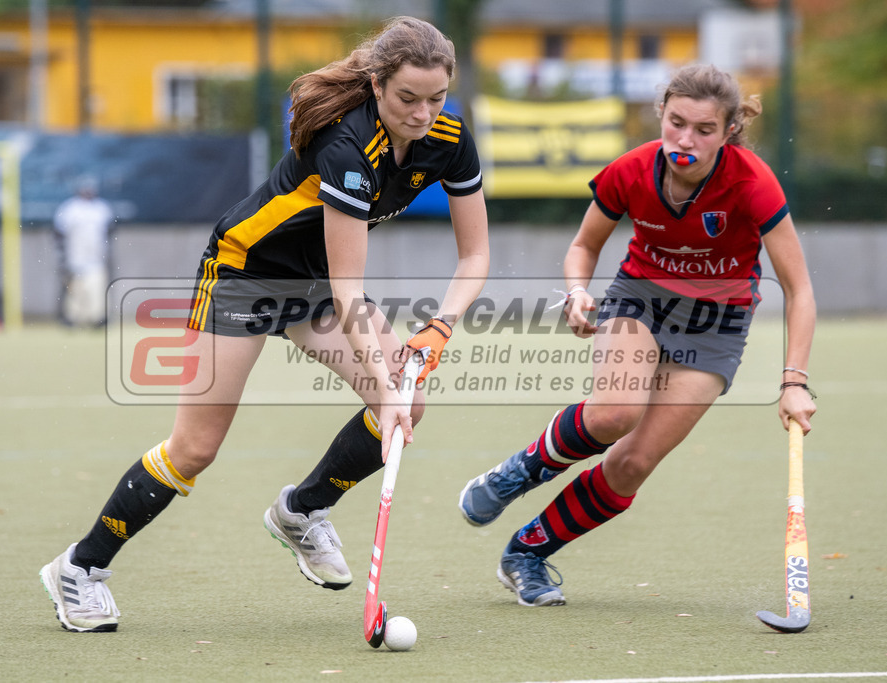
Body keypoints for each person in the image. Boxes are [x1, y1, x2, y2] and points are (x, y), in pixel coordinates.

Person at [40, 16, 489, 632]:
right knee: (194, 449)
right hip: (245, 274)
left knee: (408, 407)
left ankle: (301, 511)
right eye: (407, 98)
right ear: (378, 84)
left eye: (436, 98)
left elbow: (475, 255)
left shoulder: (448, 136)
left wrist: (439, 328)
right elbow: (348, 286)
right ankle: (80, 569)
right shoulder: (346, 147)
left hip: (316, 282)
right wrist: (384, 387)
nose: (421, 113)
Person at [458, 63, 816, 607]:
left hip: (717, 326)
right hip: (640, 300)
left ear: (728, 133)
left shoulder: (752, 183)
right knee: (613, 414)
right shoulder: (630, 171)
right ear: (661, 114)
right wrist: (577, 292)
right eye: (676, 123)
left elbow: (799, 288)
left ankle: (527, 553)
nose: (685, 140)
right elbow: (583, 247)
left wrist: (794, 381)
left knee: (631, 464)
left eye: (704, 130)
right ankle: (518, 473)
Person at [53, 175, 115, 327]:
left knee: (96, 287)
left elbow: (110, 229)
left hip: (96, 256)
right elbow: (59, 231)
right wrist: (62, 253)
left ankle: (98, 318)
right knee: (75, 288)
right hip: (75, 256)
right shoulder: (70, 208)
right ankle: (72, 318)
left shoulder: (101, 208)